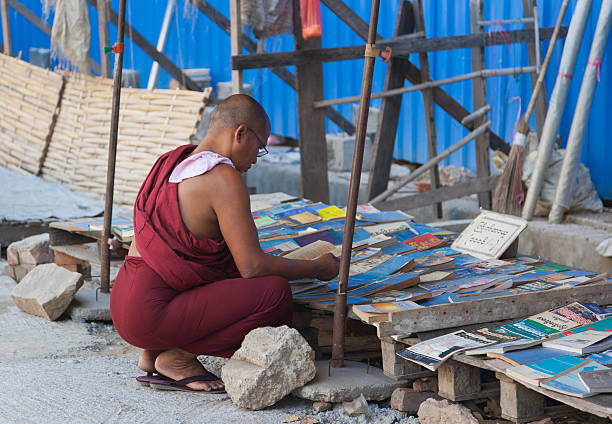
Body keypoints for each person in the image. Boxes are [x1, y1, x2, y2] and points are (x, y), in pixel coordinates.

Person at [110, 94, 340, 393]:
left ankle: (154, 353)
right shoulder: (222, 177)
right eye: (259, 147)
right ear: (240, 133)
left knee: (235, 274)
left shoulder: (174, 161)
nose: (257, 158)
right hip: (153, 311)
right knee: (273, 293)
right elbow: (252, 268)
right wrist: (316, 268)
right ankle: (178, 357)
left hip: (127, 301)